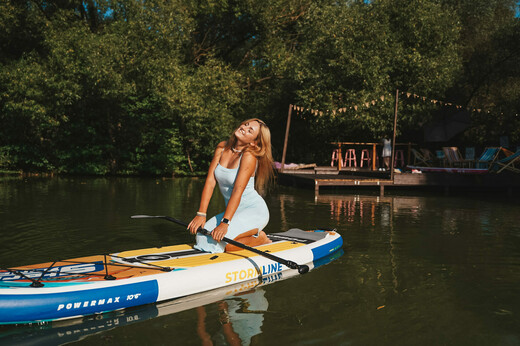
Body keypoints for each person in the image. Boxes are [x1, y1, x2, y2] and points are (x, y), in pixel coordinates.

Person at [187, 118, 274, 253]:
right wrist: (201, 214)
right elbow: (210, 181)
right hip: (233, 212)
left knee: (224, 243)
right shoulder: (222, 147)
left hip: (254, 211)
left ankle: (260, 238)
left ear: (254, 142)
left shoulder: (249, 155)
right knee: (202, 236)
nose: (244, 128)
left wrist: (224, 223)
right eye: (245, 124)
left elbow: (237, 191)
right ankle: (245, 235)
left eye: (250, 130)